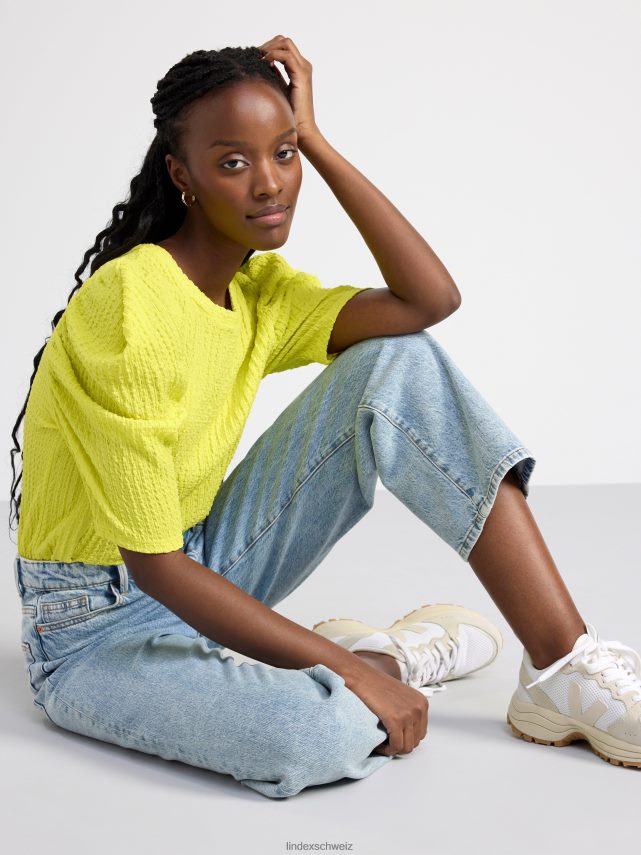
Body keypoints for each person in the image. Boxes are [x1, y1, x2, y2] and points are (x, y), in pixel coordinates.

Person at [9, 37, 641, 801]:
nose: (269, 182)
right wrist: (345, 671)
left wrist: (316, 139)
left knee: (398, 358)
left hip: (206, 558)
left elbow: (426, 301)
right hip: (93, 625)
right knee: (316, 733)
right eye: (233, 162)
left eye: (283, 153)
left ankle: (562, 669)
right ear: (182, 175)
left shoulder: (258, 292)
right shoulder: (130, 305)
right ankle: (376, 661)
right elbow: (153, 565)